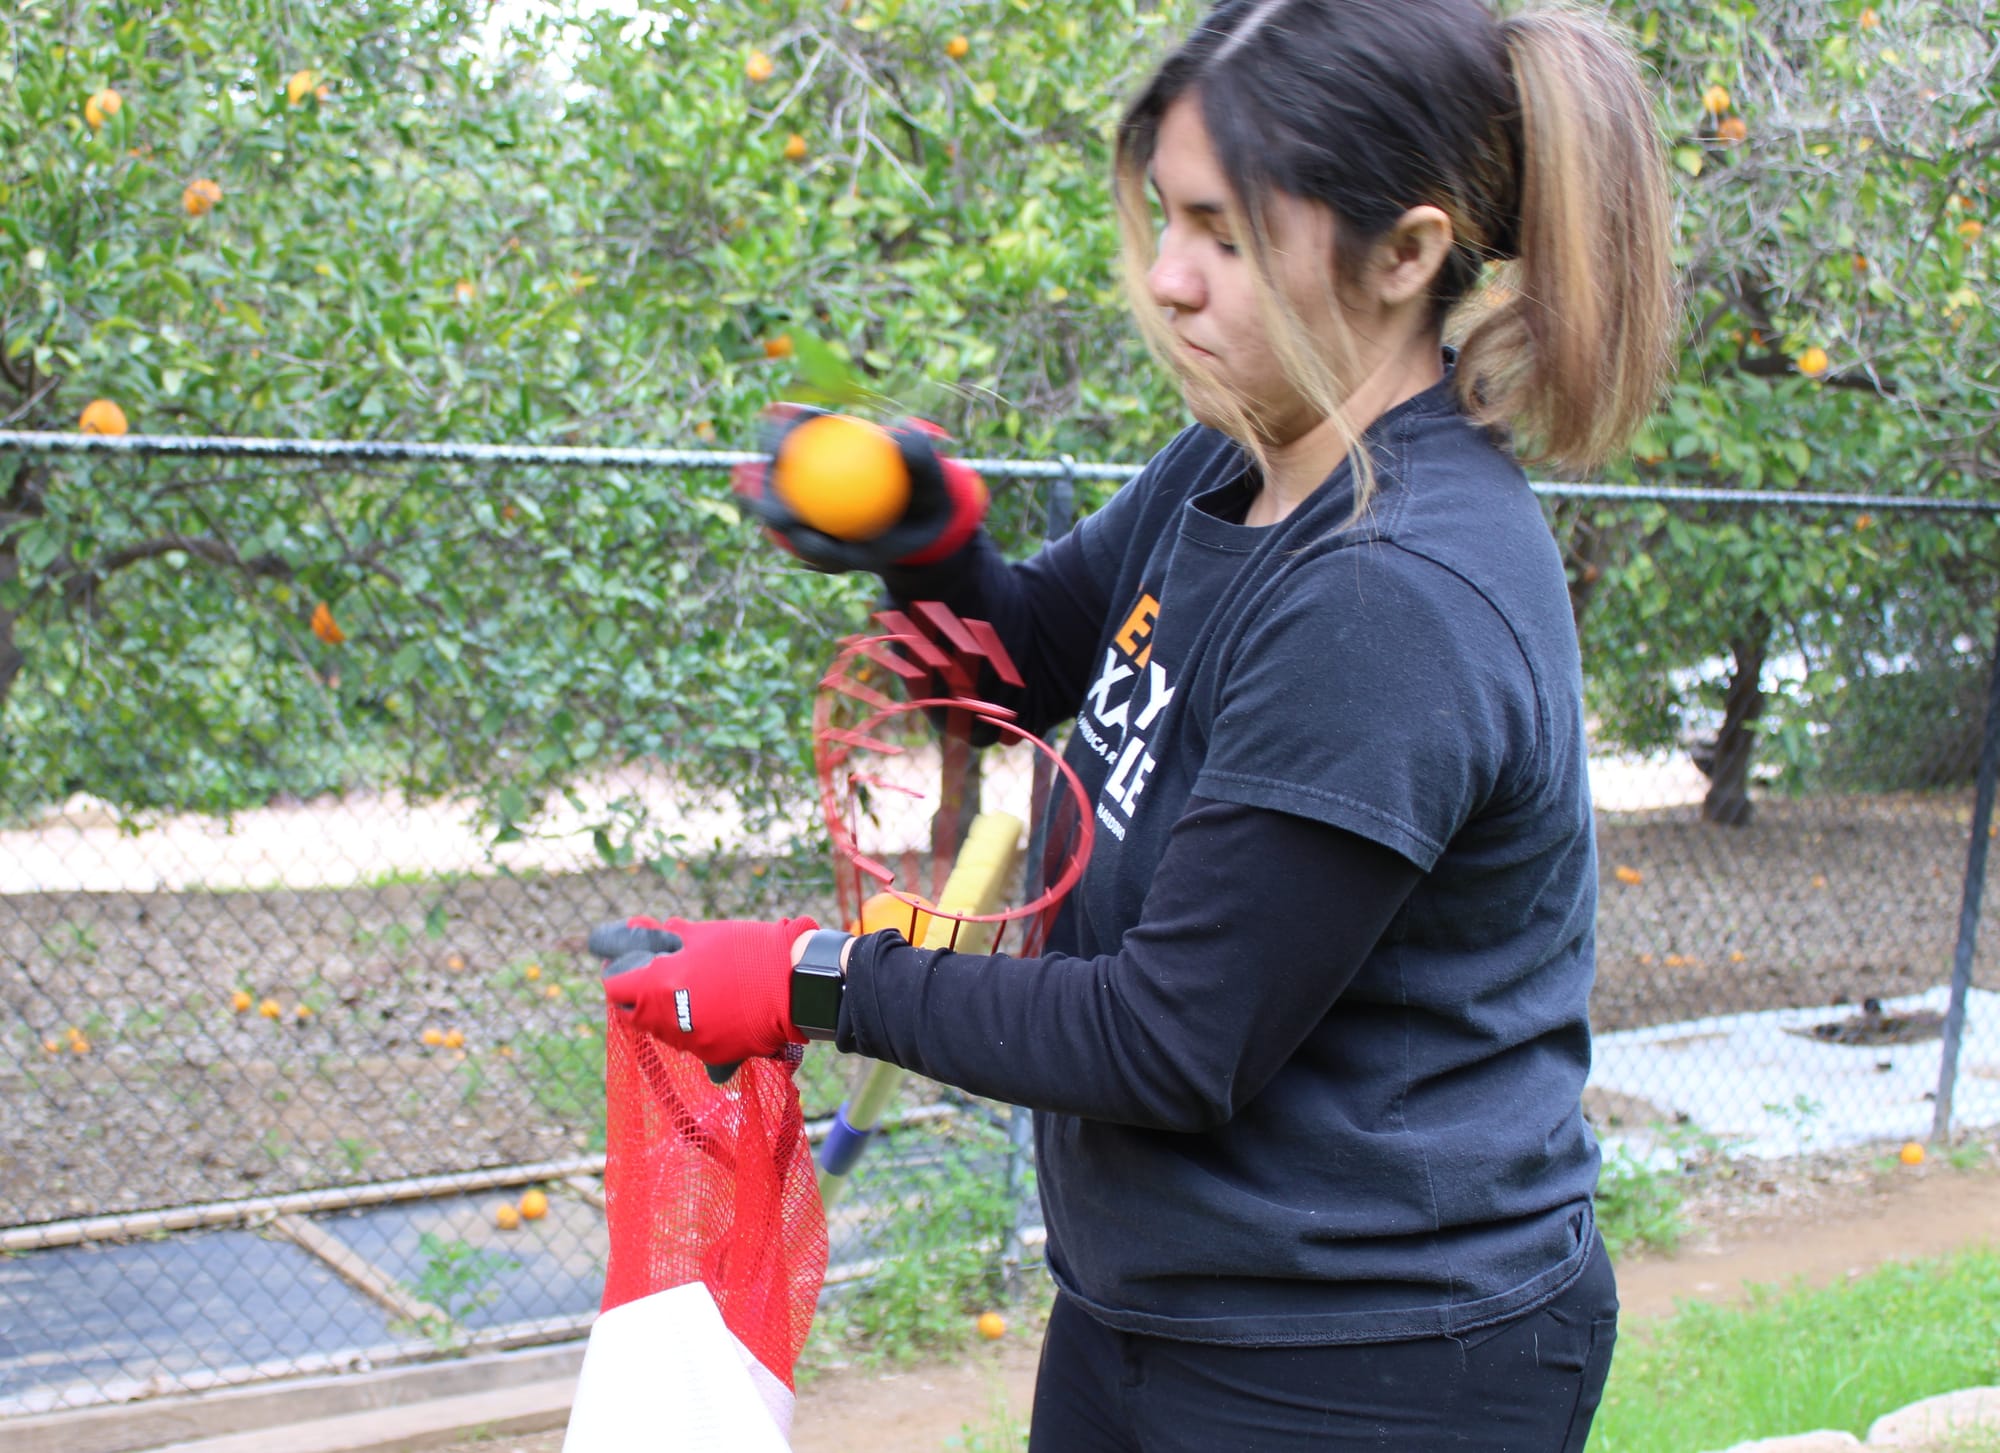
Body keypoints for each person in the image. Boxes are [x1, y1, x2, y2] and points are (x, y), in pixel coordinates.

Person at [602, 0, 1675, 1446]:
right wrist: (928, 547)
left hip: (1370, 1359)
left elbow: (1170, 1040)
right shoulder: (1236, 464)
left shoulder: (1392, 592)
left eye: (1225, 234)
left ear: (1406, 255)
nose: (1167, 278)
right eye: (1168, 218)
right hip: (1161, 1306)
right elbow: (1030, 659)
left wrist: (812, 982)